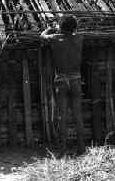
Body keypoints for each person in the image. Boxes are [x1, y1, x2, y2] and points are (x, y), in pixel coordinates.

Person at [41, 15, 85, 154]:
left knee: (62, 116)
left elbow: (42, 36)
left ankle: (63, 149)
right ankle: (81, 148)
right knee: (78, 115)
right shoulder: (79, 38)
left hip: (61, 79)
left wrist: (50, 28)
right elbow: (74, 32)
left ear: (60, 27)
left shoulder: (55, 39)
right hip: (76, 78)